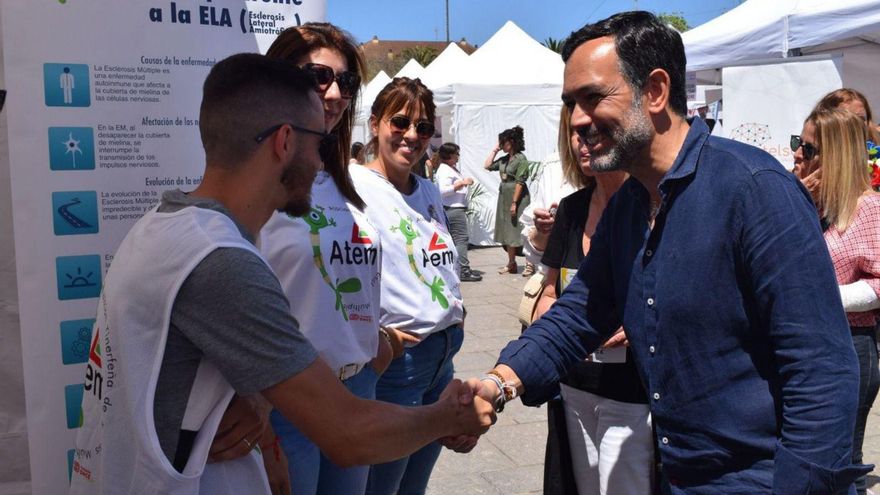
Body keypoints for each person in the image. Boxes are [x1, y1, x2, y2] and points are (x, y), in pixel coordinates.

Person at [472, 12, 870, 493]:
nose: (576, 120)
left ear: (656, 91)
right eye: (571, 103)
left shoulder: (754, 191)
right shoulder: (628, 208)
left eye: (593, 97)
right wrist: (499, 382)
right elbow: (580, 313)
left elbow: (821, 371)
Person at [68, 54, 494, 495]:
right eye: (319, 144)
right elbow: (347, 433)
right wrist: (451, 416)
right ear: (285, 142)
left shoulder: (162, 224)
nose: (322, 162)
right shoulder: (219, 261)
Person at [258, 23, 390, 495]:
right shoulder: (255, 174)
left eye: (346, 81)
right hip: (287, 400)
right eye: (318, 76)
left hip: (356, 390)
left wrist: (378, 344)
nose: (334, 92)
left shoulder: (347, 181)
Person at [349, 77, 466, 495]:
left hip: (443, 356)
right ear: (376, 123)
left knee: (413, 486)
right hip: (399, 362)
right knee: (382, 485)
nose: (412, 136)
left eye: (424, 128)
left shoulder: (429, 190)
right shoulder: (351, 187)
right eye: (400, 122)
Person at [534, 108, 649, 495]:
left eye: (593, 130)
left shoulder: (651, 208)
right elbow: (550, 288)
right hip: (574, 386)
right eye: (574, 132)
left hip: (631, 393)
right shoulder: (571, 210)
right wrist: (546, 320)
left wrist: (635, 327)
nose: (583, 140)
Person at [792, 108, 880, 495]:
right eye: (798, 143)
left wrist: (820, 299)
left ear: (836, 154)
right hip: (806, 343)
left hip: (850, 345)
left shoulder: (869, 208)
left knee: (844, 463)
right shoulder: (811, 200)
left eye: (807, 148)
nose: (797, 154)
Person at [484, 126, 532, 275]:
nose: (501, 145)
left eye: (503, 142)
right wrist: (494, 150)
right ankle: (511, 263)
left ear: (511, 142)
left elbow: (520, 182)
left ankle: (530, 264)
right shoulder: (504, 159)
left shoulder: (521, 159)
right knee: (508, 230)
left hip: (517, 197)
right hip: (504, 196)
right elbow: (487, 165)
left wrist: (514, 203)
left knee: (522, 230)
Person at [433, 142, 482, 282]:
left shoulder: (448, 169)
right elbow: (443, 191)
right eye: (456, 154)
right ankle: (463, 270)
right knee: (461, 239)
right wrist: (462, 183)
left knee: (457, 239)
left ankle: (459, 268)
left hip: (455, 208)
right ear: (449, 155)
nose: (458, 156)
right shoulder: (444, 170)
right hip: (454, 209)